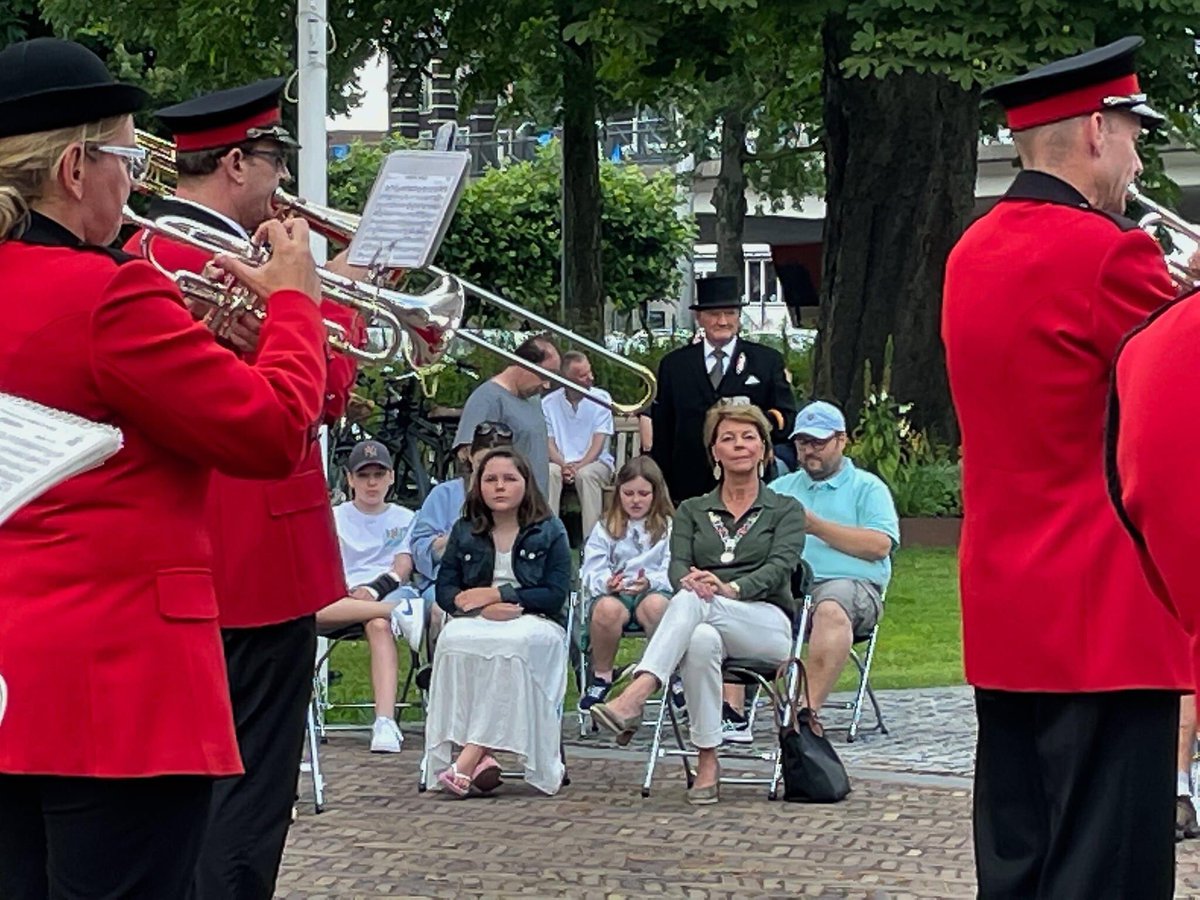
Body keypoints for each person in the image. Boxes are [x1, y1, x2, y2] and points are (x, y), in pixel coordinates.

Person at [0, 38, 326, 900]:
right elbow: (269, 435)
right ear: (74, 167)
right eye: (121, 156)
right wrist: (294, 301)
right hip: (117, 686)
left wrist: (203, 348)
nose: (131, 182)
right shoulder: (109, 293)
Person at [943, 36, 1191, 899]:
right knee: (1108, 870)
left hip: (1006, 603)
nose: (1134, 156)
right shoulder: (1109, 254)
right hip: (1106, 609)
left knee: (1018, 861)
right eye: (1130, 133)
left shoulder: (969, 252)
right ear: (1095, 130)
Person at [123, 79, 364, 900]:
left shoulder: (144, 252)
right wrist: (340, 296)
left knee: (192, 785)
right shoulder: (238, 261)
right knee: (252, 789)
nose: (282, 185)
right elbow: (318, 395)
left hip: (185, 557)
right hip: (260, 554)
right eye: (273, 163)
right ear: (235, 162)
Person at [591, 401, 807, 804]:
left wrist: (731, 588)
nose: (739, 445)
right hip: (704, 615)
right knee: (701, 636)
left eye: (749, 437)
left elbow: (781, 567)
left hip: (765, 623)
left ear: (764, 448)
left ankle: (638, 692)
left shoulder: (785, 510)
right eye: (728, 438)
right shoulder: (692, 509)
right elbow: (677, 566)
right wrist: (691, 581)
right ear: (714, 452)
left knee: (693, 604)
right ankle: (708, 760)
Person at [424, 449, 571, 796]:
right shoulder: (464, 530)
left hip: (536, 619)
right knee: (453, 640)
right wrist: (476, 608)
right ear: (478, 485)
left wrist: (499, 595)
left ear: (526, 483)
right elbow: (446, 589)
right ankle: (483, 756)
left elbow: (554, 593)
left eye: (509, 479)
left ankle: (467, 757)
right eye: (490, 479)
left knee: (511, 645)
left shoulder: (549, 529)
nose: (499, 487)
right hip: (478, 618)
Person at [770, 401, 899, 712]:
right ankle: (729, 712)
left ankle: (804, 713)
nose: (810, 450)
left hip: (850, 588)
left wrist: (816, 527)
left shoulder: (868, 488)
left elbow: (880, 545)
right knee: (730, 602)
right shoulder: (779, 489)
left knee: (830, 606)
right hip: (787, 589)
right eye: (803, 443)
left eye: (819, 442)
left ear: (841, 440)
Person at [316, 440, 422, 754]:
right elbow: (324, 560)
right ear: (350, 479)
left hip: (386, 590)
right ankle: (400, 611)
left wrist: (375, 592)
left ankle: (385, 721)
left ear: (391, 477)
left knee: (377, 623)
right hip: (342, 596)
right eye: (364, 476)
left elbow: (403, 565)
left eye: (379, 474)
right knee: (308, 613)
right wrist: (347, 593)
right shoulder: (333, 516)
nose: (372, 482)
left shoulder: (405, 517)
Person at [651, 275, 795, 504]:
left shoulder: (766, 361)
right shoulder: (674, 365)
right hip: (688, 484)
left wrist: (757, 426)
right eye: (713, 314)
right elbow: (664, 429)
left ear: (738, 317)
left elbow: (785, 417)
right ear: (699, 318)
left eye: (729, 313)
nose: (722, 321)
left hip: (748, 481)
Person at [577, 456, 675, 711]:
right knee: (606, 610)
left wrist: (650, 581)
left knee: (656, 607)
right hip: (614, 595)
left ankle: (665, 671)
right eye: (628, 493)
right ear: (618, 492)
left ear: (655, 494)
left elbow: (673, 568)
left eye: (643, 493)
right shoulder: (605, 527)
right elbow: (590, 570)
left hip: (653, 590)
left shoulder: (667, 527)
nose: (635, 500)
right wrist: (607, 582)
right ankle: (602, 676)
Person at [408, 421, 516, 652]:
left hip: (504, 585)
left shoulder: (519, 497)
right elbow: (419, 549)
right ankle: (438, 680)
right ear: (469, 457)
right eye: (483, 464)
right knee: (439, 610)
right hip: (449, 584)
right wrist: (460, 535)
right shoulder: (444, 494)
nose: (493, 477)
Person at [453, 334, 560, 495]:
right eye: (545, 375)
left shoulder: (533, 399)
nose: (547, 385)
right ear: (524, 365)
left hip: (536, 507)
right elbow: (468, 456)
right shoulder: (486, 399)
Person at [545, 350, 615, 537]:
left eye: (589, 372)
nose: (590, 378)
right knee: (549, 472)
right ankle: (548, 539)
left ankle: (592, 546)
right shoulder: (548, 403)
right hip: (560, 462)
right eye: (583, 375)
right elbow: (549, 443)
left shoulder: (602, 398)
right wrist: (563, 465)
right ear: (567, 379)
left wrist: (578, 467)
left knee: (586, 475)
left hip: (595, 463)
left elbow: (598, 444)